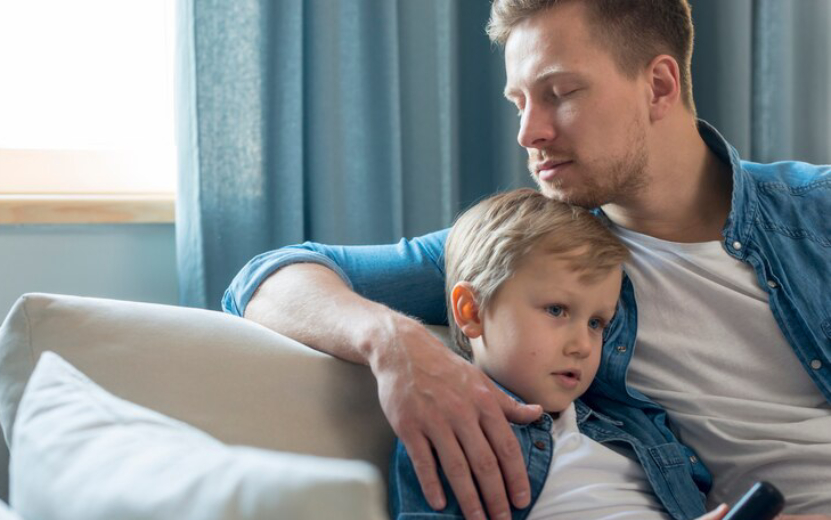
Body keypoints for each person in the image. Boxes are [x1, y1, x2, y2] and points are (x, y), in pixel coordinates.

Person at [223, 0, 831, 518]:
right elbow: (268, 279)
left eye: (560, 93)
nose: (528, 132)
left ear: (660, 86)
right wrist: (395, 345)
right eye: (519, 101)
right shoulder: (531, 254)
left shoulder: (816, 212)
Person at [389, 188, 730, 520]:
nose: (582, 345)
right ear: (472, 312)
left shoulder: (635, 426)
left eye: (597, 323)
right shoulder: (457, 430)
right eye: (556, 310)